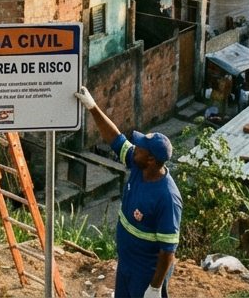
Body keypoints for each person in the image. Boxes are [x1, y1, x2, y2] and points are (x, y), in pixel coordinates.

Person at [75, 86, 181, 298]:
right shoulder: (137, 165)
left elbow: (168, 251)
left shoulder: (167, 197)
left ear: (151, 159)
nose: (134, 149)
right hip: (126, 265)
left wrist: (155, 287)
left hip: (146, 273)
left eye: (140, 148)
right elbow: (116, 138)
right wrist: (93, 107)